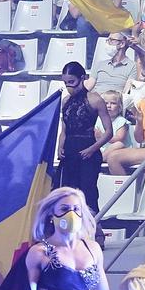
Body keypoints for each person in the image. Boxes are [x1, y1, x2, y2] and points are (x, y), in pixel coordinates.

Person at [57, 62, 114, 213]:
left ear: (82, 78)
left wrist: (92, 149)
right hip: (69, 151)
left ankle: (95, 231)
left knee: (88, 195)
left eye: (72, 82)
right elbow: (64, 129)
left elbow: (109, 132)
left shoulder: (95, 99)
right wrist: (59, 146)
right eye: (66, 83)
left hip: (88, 151)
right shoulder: (65, 101)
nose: (70, 87)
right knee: (67, 196)